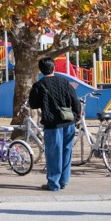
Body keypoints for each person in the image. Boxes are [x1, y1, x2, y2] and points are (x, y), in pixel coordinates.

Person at [28, 57, 81, 191]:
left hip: (52, 124)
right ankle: (64, 180)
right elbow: (75, 101)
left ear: (40, 70)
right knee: (66, 151)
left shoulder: (39, 85)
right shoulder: (65, 82)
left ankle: (53, 183)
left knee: (53, 153)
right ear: (54, 68)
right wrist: (76, 116)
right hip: (69, 121)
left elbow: (33, 104)